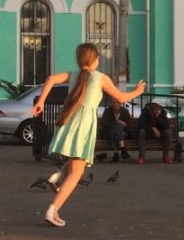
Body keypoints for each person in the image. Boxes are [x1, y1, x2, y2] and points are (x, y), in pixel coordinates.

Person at [31, 43, 145, 228]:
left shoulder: (74, 74)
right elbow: (121, 98)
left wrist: (41, 102)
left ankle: (58, 177)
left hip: (70, 121)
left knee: (76, 161)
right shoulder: (100, 78)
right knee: (77, 172)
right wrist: (138, 92)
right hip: (83, 126)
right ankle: (53, 210)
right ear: (95, 60)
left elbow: (51, 78)